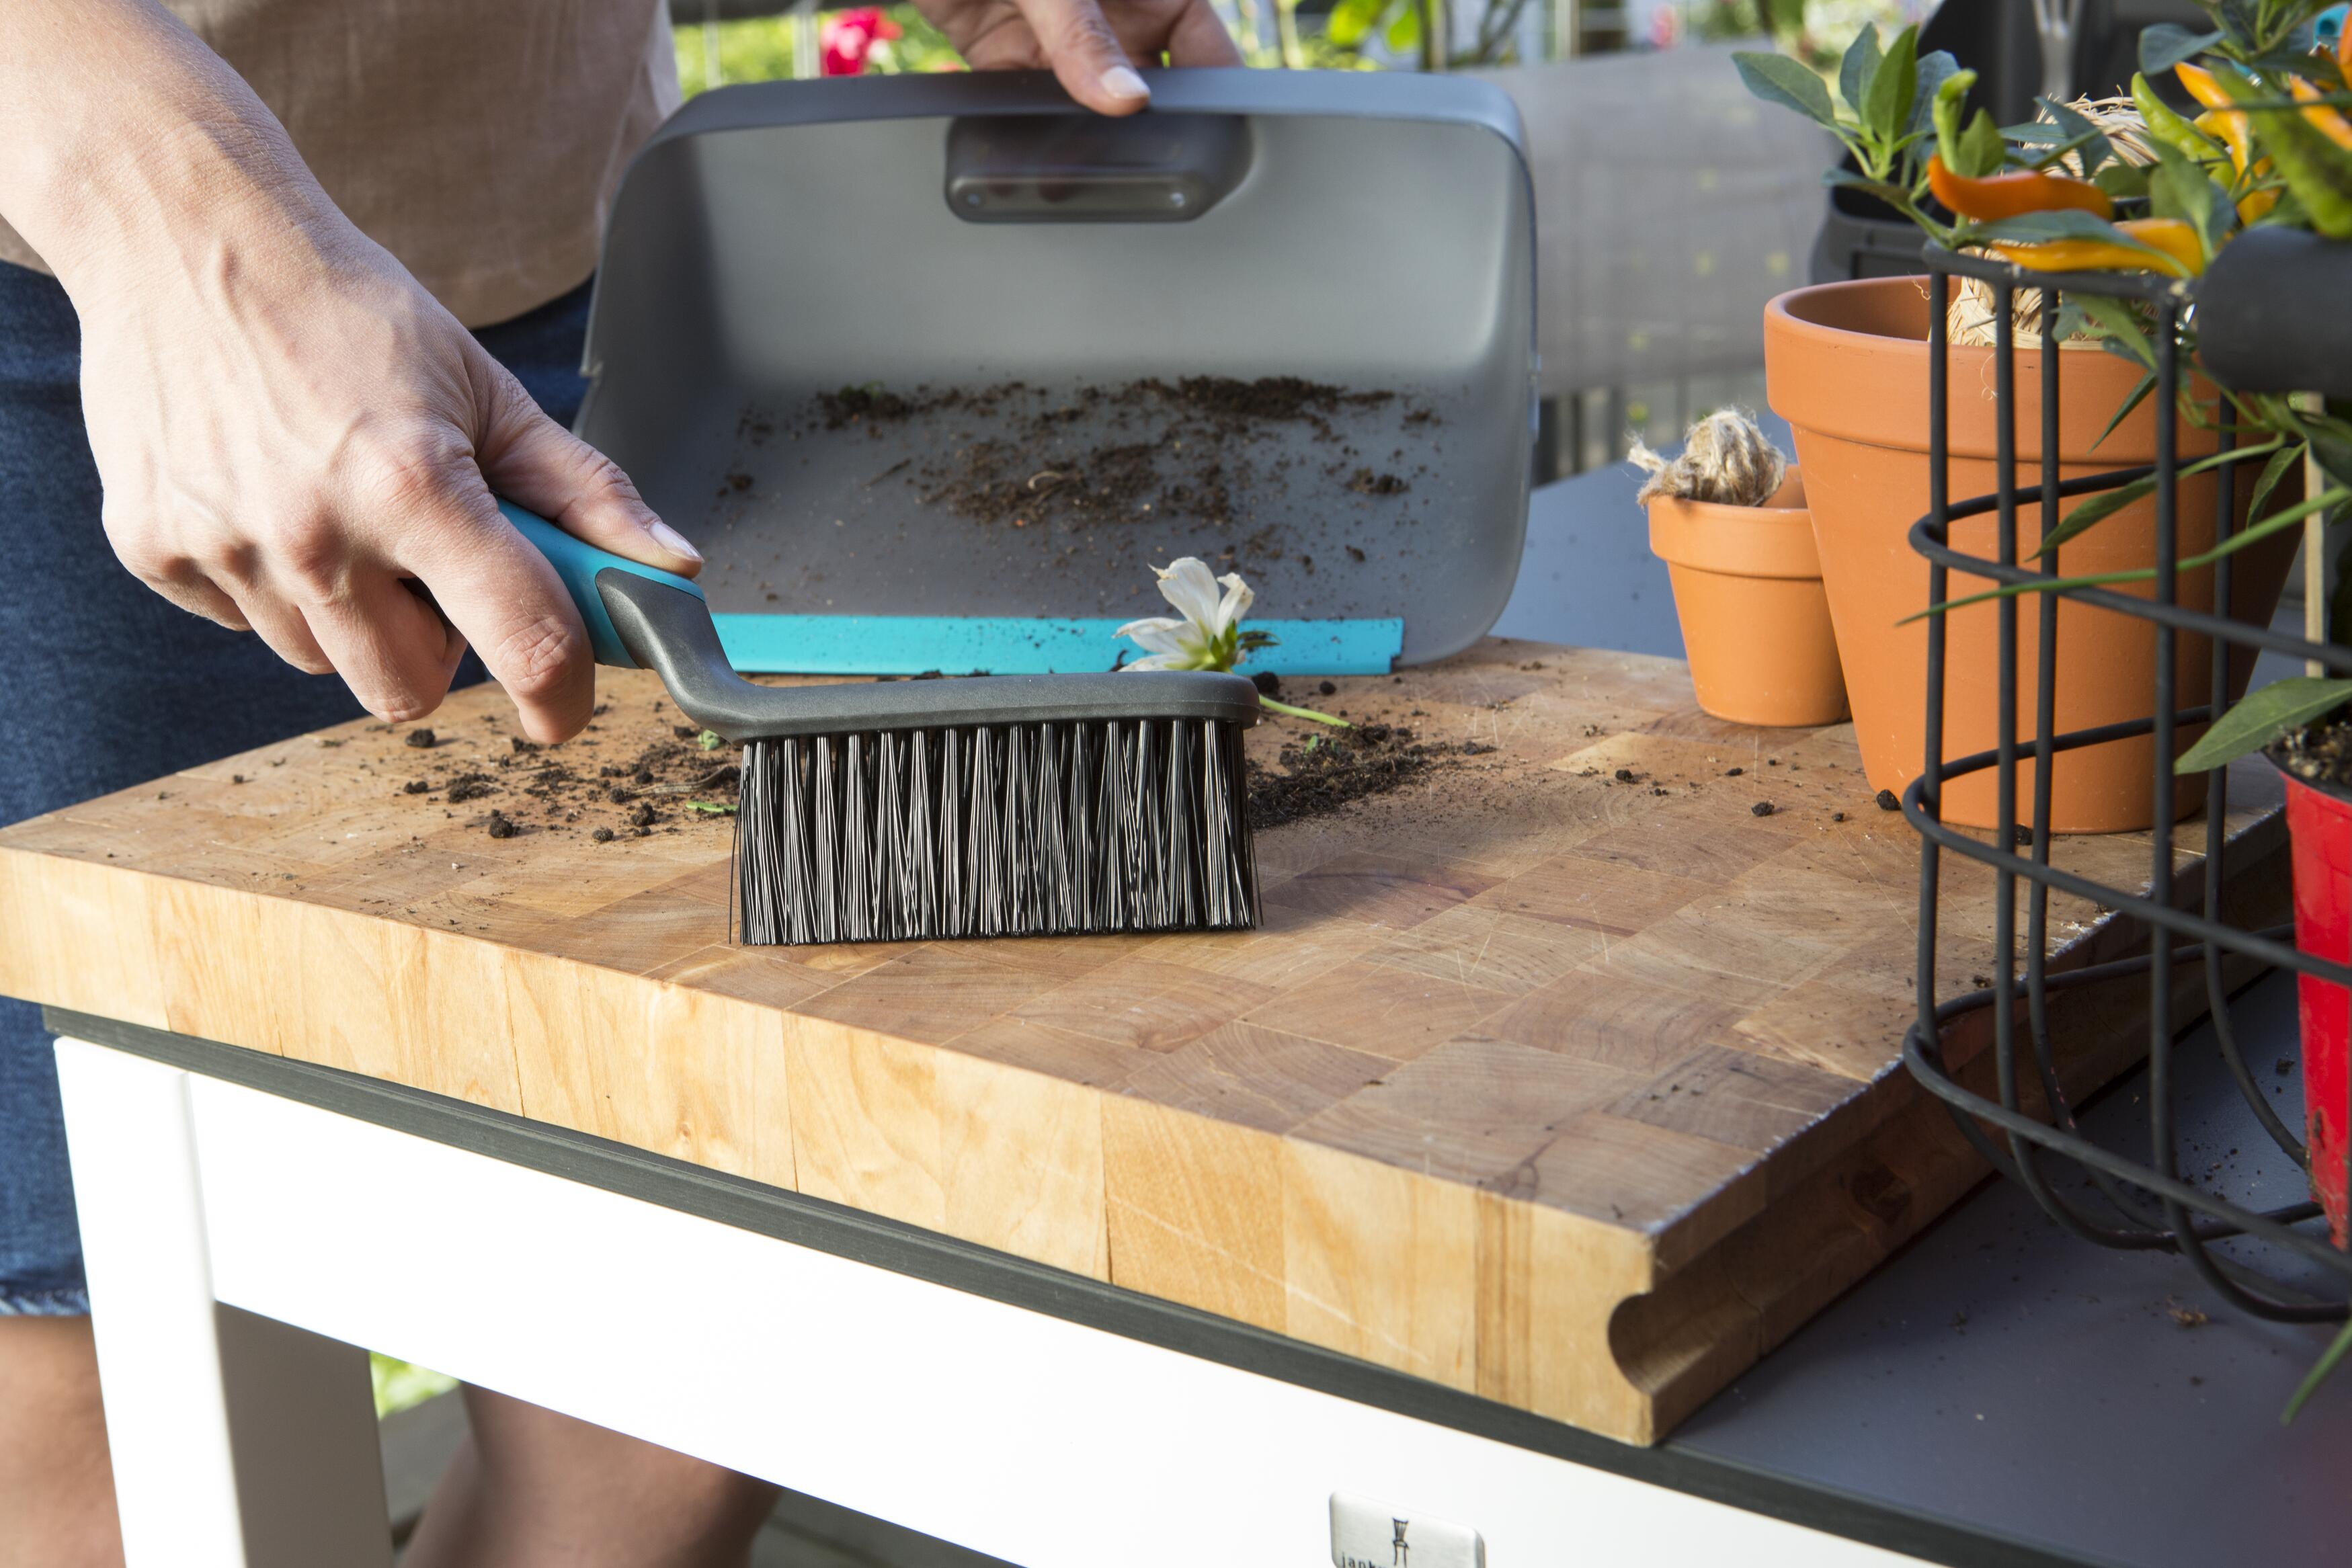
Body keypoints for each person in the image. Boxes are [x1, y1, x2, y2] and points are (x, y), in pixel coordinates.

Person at [0, 1, 1238, 1563]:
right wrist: (167, 208)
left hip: (556, 243)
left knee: (679, 1377)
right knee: (142, 1430)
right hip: (70, 251)